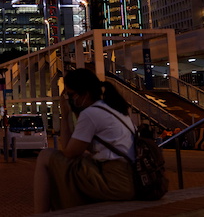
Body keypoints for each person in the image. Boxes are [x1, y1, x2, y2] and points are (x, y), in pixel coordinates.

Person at [33, 69, 136, 212]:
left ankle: (40, 214)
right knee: (83, 157)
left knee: (45, 156)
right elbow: (78, 148)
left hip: (115, 183)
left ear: (85, 94)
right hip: (130, 178)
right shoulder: (112, 108)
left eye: (70, 94)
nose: (69, 99)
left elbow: (68, 151)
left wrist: (65, 113)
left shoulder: (90, 113)